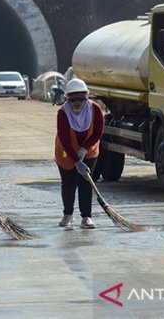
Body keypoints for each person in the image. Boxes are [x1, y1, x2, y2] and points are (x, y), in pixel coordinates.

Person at [54, 78, 104, 229]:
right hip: (65, 152)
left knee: (85, 182)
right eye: (73, 99)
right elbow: (64, 139)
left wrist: (84, 149)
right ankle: (68, 215)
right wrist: (76, 161)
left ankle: (86, 217)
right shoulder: (63, 113)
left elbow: (97, 133)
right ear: (67, 98)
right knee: (68, 183)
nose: (76, 103)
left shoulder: (95, 110)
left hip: (89, 152)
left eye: (80, 99)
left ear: (86, 98)